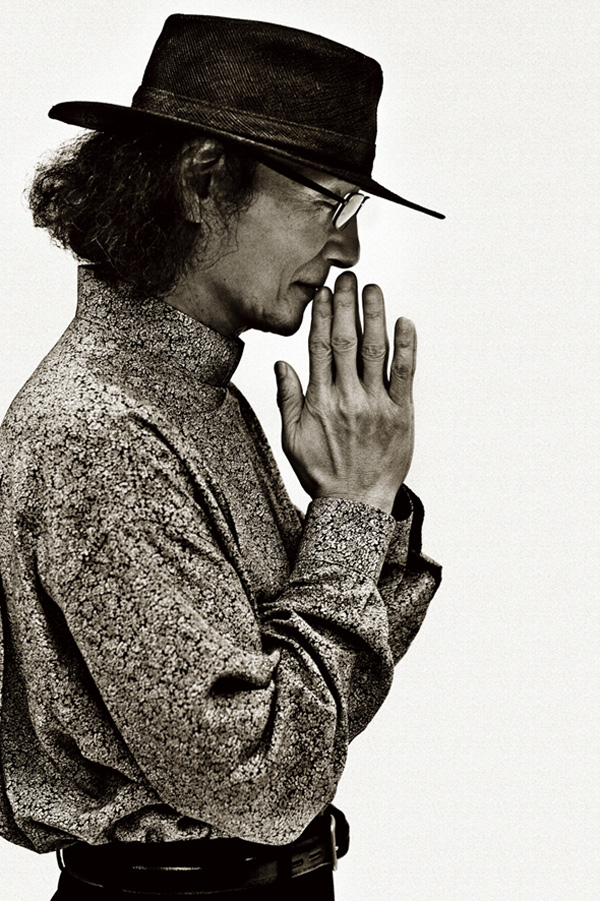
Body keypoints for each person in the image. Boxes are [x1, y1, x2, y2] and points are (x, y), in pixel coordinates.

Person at [0, 14, 443, 901]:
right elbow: (267, 781)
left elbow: (321, 704)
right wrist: (352, 511)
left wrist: (362, 505)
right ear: (204, 179)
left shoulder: (194, 397)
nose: (349, 248)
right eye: (328, 203)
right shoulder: (103, 434)